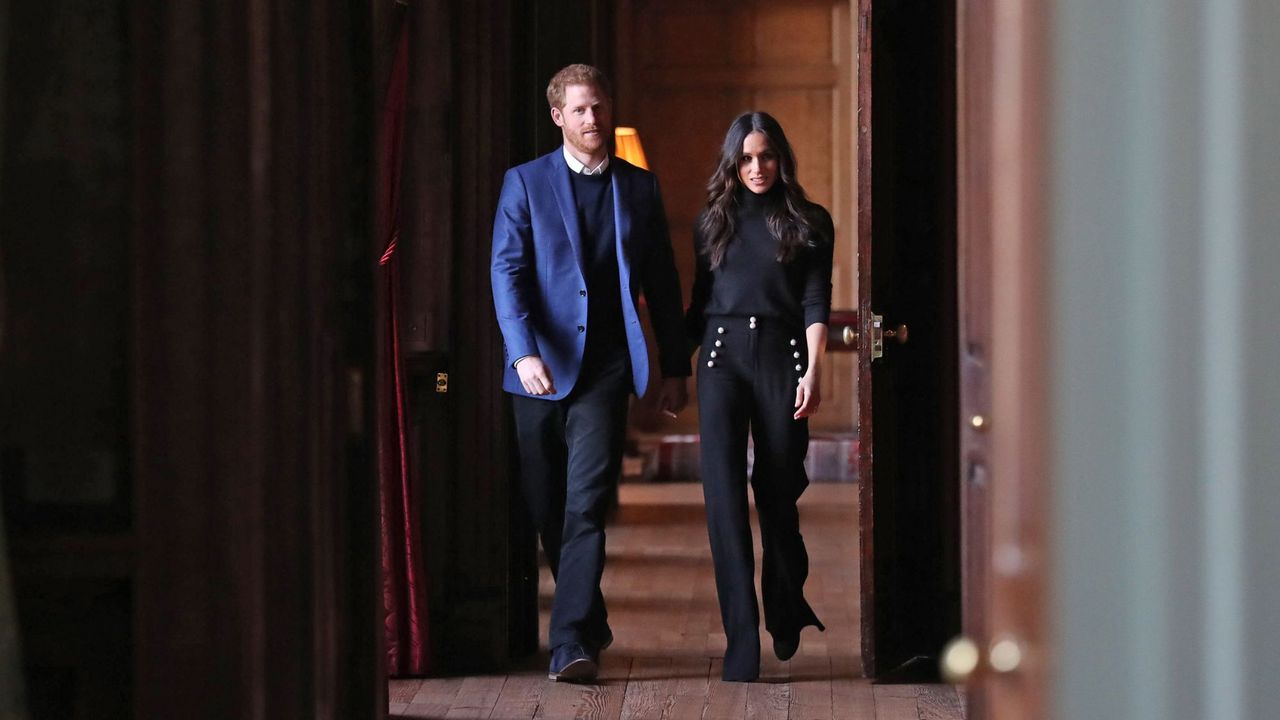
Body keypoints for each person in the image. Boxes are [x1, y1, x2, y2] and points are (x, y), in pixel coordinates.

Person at [490, 64, 690, 683]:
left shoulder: (639, 187)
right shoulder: (523, 183)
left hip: (605, 367)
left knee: (586, 505)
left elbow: (661, 280)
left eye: (599, 108)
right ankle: (589, 614)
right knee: (546, 501)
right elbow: (508, 272)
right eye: (579, 110)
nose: (592, 120)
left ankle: (571, 642)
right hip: (538, 369)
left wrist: (675, 366)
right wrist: (523, 353)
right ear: (558, 117)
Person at [685, 111, 832, 682]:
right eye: (744, 158)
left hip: (783, 357)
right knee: (723, 502)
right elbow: (700, 305)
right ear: (731, 162)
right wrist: (671, 365)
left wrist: (814, 371)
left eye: (765, 156)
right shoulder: (711, 223)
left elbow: (816, 301)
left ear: (781, 158)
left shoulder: (810, 221)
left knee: (778, 492)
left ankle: (786, 600)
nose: (755, 167)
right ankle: (741, 645)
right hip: (720, 360)